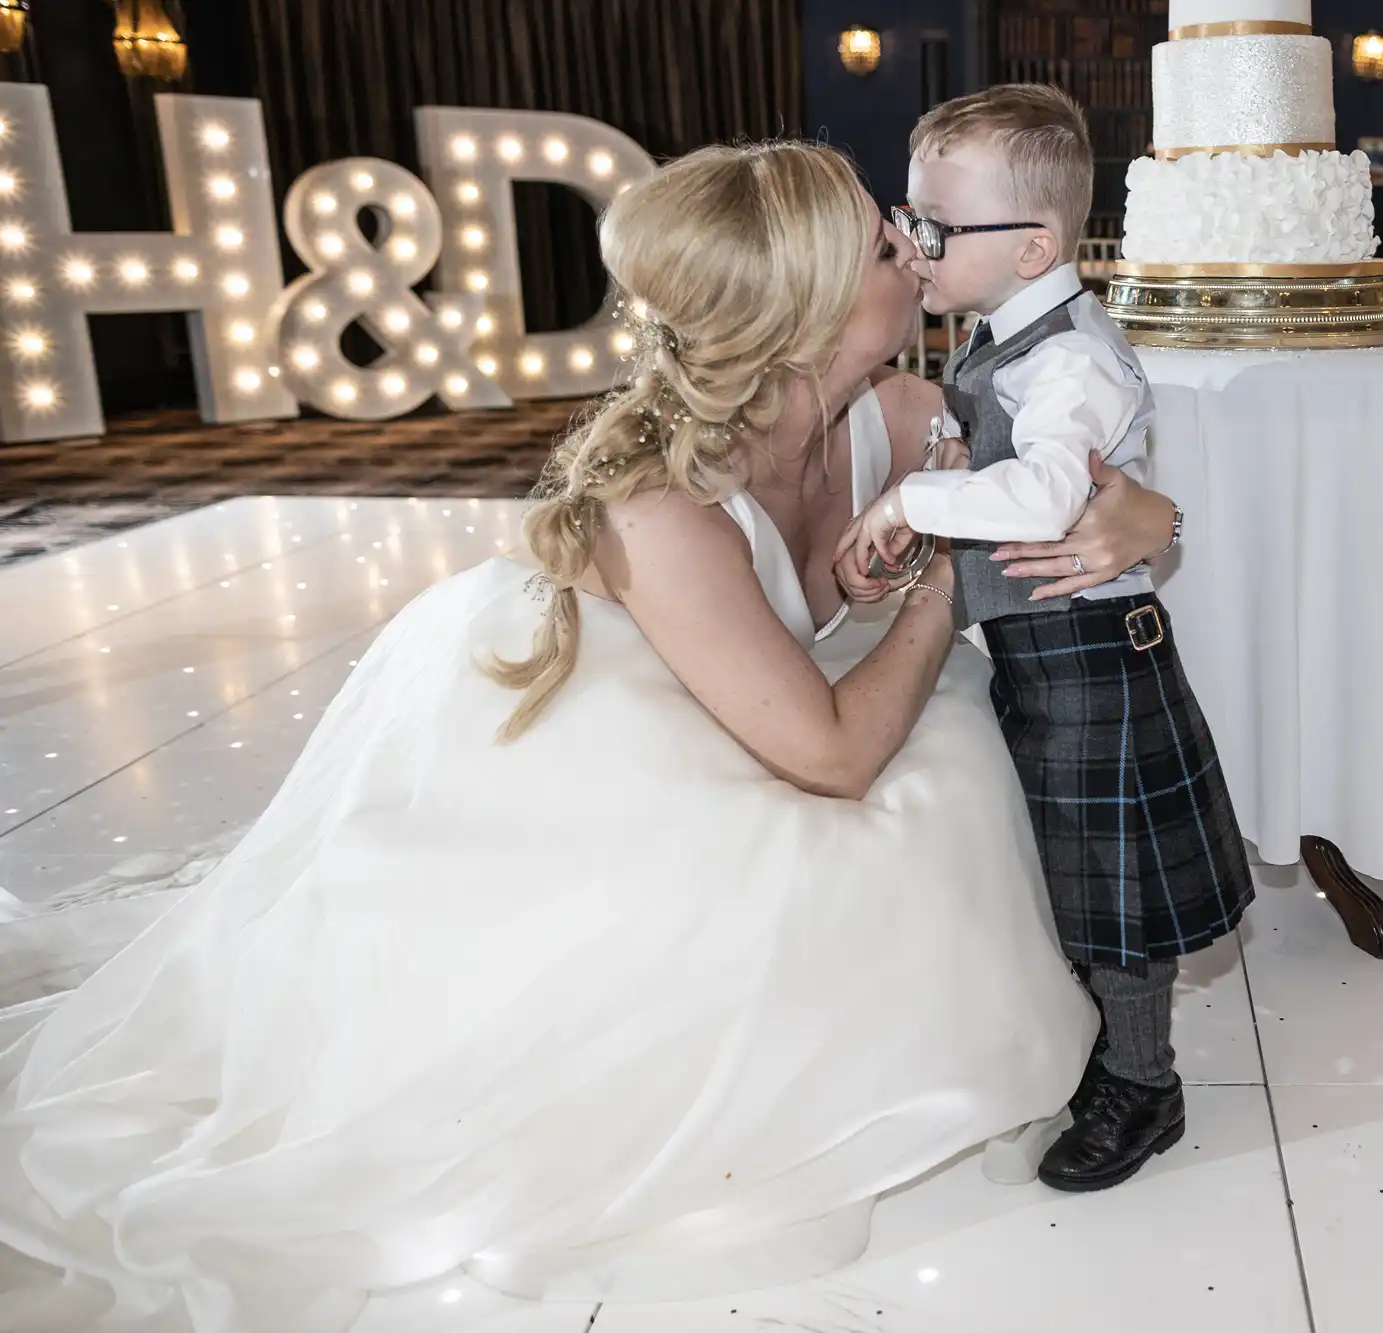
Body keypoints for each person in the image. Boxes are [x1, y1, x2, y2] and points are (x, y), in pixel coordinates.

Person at [0, 141, 1182, 1333]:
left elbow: (1086, 473)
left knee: (955, 774)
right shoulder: (661, 503)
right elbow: (829, 755)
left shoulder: (909, 411)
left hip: (768, 700)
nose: (917, 248)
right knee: (811, 858)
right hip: (567, 743)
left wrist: (1142, 513)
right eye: (888, 243)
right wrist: (943, 586)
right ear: (809, 306)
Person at [837, 86, 1255, 1194]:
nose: (911, 247)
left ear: (1033, 246)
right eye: (908, 220)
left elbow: (1038, 496)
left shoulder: (1064, 361)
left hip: (1091, 657)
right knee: (1067, 873)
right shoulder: (1001, 331)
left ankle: (1143, 1083)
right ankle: (1099, 1051)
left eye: (933, 227)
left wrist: (913, 502)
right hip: (1041, 649)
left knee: (1111, 890)